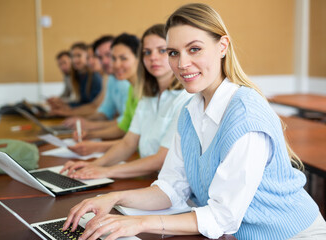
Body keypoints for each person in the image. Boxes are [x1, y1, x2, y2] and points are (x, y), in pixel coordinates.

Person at [62, 3, 326, 240]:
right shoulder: (190, 110)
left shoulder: (245, 115)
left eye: (195, 49)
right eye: (174, 53)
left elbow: (223, 216)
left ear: (222, 47)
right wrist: (112, 198)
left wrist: (137, 223)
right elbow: (171, 188)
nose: (182, 63)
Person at [61, 25, 192, 181]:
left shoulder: (186, 97)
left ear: (175, 54)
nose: (153, 58)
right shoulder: (147, 96)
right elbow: (129, 142)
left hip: (173, 185)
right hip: (150, 177)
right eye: (147, 52)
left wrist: (107, 171)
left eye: (162, 51)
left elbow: (161, 158)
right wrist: (95, 165)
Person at [63, 36, 131, 155]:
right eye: (99, 57)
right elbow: (105, 111)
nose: (104, 61)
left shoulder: (127, 82)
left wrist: (91, 126)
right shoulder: (111, 78)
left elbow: (126, 124)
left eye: (109, 55)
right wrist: (85, 124)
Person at [48, 42, 103, 116]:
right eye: (73, 57)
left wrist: (66, 110)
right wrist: (62, 104)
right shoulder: (78, 76)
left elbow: (94, 106)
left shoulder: (95, 77)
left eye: (79, 56)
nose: (75, 60)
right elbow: (81, 102)